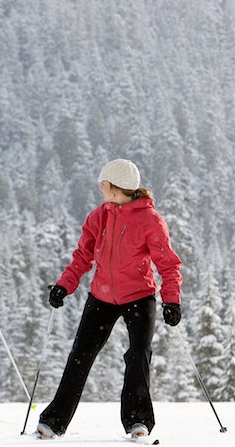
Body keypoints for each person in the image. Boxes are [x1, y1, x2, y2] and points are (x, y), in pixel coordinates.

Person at [37, 159, 182, 440]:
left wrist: (172, 300)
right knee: (80, 355)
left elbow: (168, 264)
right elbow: (82, 257)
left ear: (116, 187)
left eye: (104, 183)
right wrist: (63, 286)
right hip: (101, 297)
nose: (100, 187)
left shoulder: (150, 220)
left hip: (139, 297)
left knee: (138, 355)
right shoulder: (99, 216)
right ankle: (53, 421)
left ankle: (138, 421)